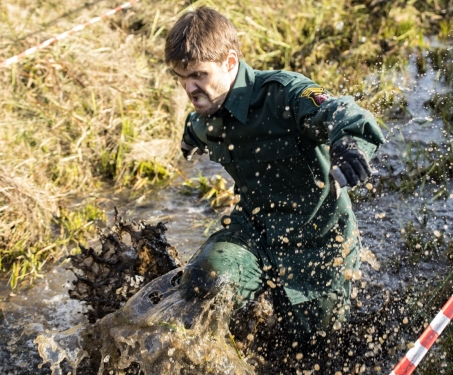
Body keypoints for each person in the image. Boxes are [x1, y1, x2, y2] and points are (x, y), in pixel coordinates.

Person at [165, 6, 386, 360]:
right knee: (205, 279)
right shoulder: (207, 114)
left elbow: (342, 112)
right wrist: (187, 143)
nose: (189, 88)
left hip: (317, 243)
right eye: (180, 77)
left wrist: (349, 146)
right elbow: (195, 127)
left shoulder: (283, 94)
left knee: (314, 349)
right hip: (255, 230)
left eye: (198, 75)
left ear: (230, 62)